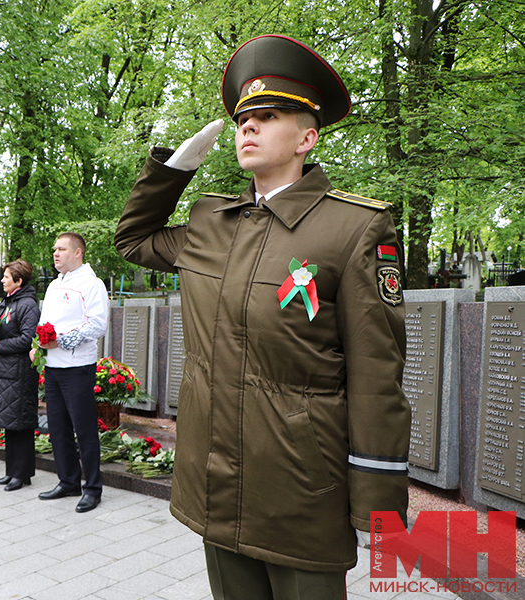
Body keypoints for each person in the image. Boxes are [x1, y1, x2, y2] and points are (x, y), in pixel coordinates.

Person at [114, 35, 410, 600]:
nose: (247, 126)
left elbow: (376, 373)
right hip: (214, 476)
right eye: (243, 117)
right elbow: (133, 240)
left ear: (307, 137)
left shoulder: (353, 229)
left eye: (267, 116)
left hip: (301, 485)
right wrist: (174, 170)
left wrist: (377, 502)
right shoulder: (209, 222)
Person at [32, 233, 108, 513]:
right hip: (52, 366)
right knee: (58, 427)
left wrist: (60, 342)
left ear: (77, 253)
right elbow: (45, 322)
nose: (55, 253)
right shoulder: (54, 285)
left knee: (84, 430)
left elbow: (97, 325)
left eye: (61, 249)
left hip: (77, 368)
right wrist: (37, 345)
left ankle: (93, 488)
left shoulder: (92, 284)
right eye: (54, 249)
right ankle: (68, 481)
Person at [0, 260, 40, 491]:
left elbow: (28, 339)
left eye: (6, 277)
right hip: (4, 372)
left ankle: (22, 473)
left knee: (21, 423)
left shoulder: (27, 305)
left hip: (19, 372)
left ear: (18, 281)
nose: (2, 281)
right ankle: (12, 471)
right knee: (9, 423)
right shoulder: (7, 303)